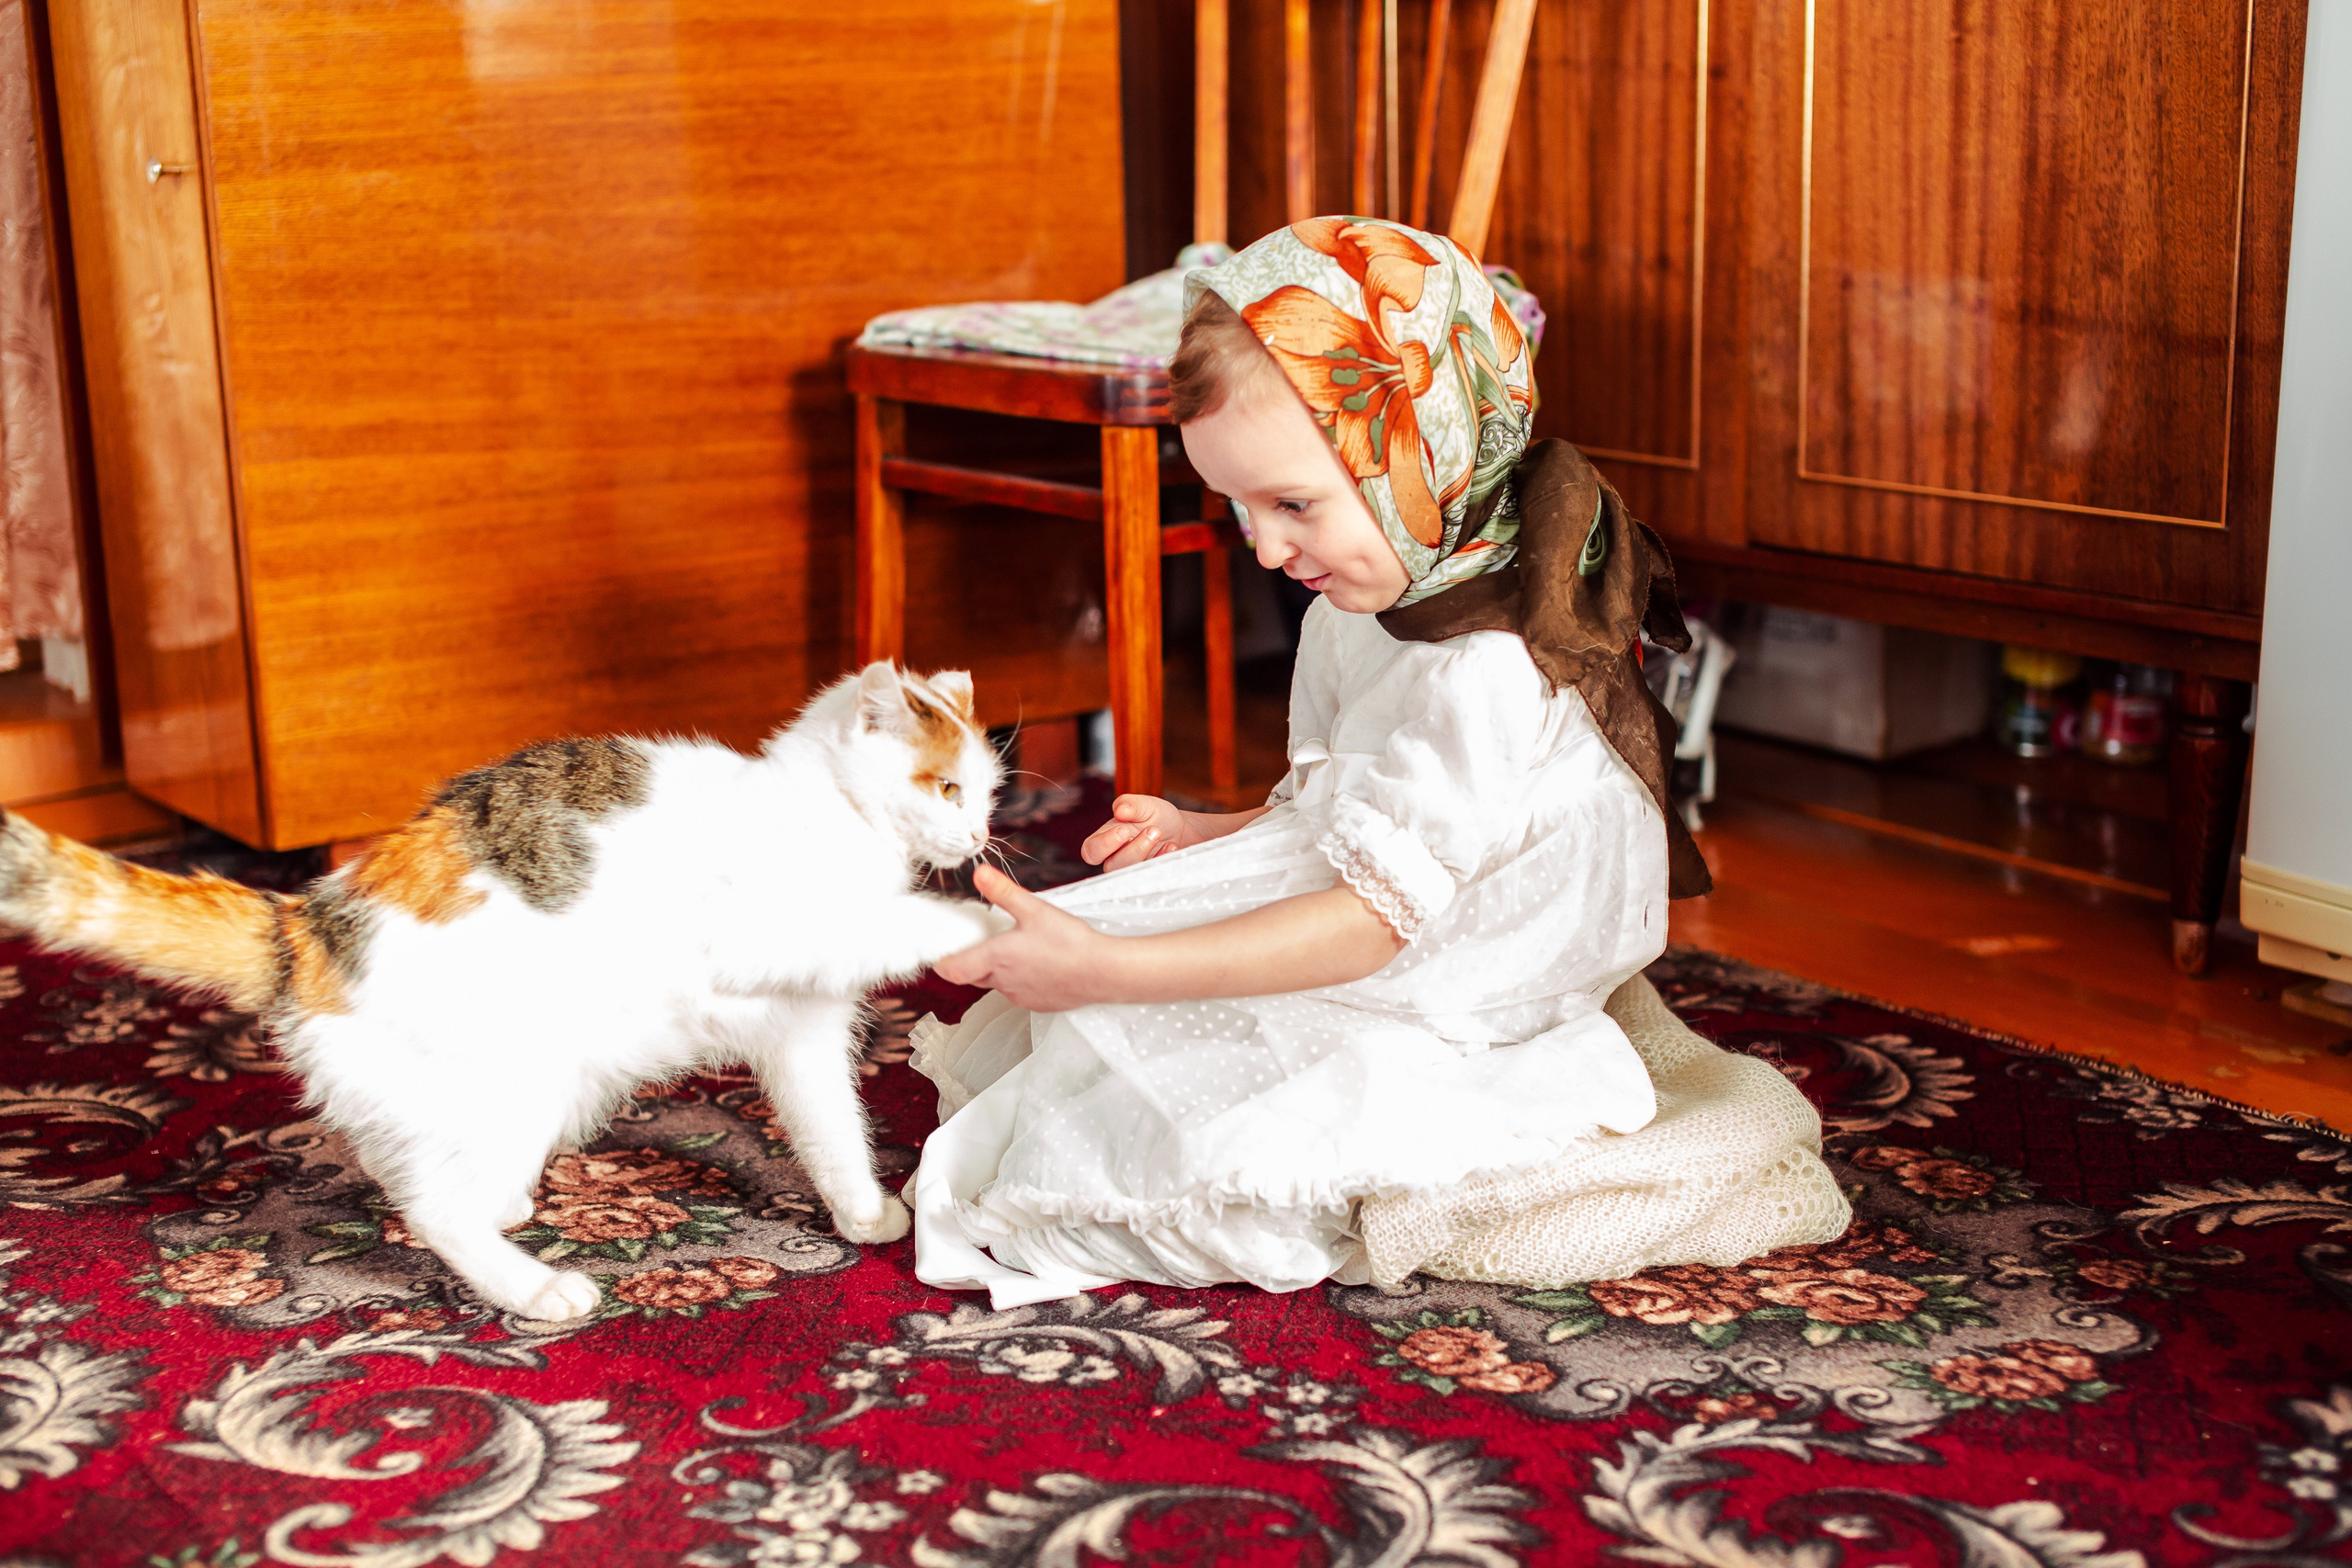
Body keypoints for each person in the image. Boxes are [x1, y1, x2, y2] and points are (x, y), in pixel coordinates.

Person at [911, 218, 1841, 1308]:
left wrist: (1108, 971)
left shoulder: (1479, 666)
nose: (1262, 548)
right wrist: (1205, 835)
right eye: (1237, 508)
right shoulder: (1370, 581)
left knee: (1143, 1087)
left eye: (1292, 504)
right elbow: (1341, 798)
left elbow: (1365, 923)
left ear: (1428, 458)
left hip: (1466, 957)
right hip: (1403, 893)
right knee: (1088, 1008)